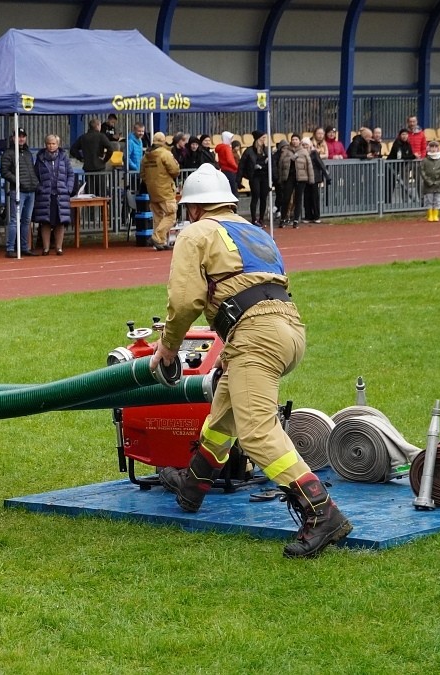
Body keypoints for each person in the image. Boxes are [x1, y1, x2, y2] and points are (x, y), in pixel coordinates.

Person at [155, 163, 352, 559]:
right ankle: (193, 485)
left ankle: (321, 511)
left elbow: (184, 300)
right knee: (224, 413)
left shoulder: (196, 232)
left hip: (254, 335)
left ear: (193, 208)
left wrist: (168, 347)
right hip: (289, 328)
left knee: (257, 430)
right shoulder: (255, 231)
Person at [32, 134, 77, 256]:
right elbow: (34, 176)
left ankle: (59, 247)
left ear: (58, 144)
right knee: (45, 222)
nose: (51, 146)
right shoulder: (40, 158)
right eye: (49, 143)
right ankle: (46, 248)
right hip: (45, 195)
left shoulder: (64, 157)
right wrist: (40, 188)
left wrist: (68, 188)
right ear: (45, 144)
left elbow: (70, 174)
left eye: (53, 144)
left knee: (60, 221)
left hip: (61, 194)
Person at [0, 128, 40, 257]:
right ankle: (10, 248)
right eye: (18, 136)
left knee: (26, 220)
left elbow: (31, 169)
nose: (21, 138)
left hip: (30, 189)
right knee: (14, 220)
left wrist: (35, 182)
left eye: (23, 136)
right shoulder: (9, 153)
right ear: (13, 138)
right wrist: (17, 181)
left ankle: (24, 246)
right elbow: (4, 171)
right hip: (17, 190)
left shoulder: (28, 153)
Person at [139, 131, 179, 250]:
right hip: (165, 189)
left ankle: (160, 242)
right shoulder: (165, 154)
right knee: (171, 215)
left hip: (152, 190)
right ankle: (157, 237)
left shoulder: (145, 156)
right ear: (163, 141)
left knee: (158, 217)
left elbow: (142, 174)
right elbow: (174, 170)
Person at [73, 118, 113, 197]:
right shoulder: (101, 136)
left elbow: (73, 149)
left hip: (88, 169)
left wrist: (81, 158)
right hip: (100, 168)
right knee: (102, 195)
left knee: (90, 195)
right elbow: (110, 149)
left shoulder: (83, 137)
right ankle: (102, 209)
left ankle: (90, 209)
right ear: (98, 126)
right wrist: (105, 160)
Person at [239, 131, 270, 226]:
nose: (264, 140)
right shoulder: (249, 151)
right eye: (262, 138)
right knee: (255, 196)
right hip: (254, 176)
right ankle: (254, 219)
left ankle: (261, 218)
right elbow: (242, 165)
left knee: (263, 197)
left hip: (265, 176)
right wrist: (239, 179)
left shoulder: (266, 150)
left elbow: (273, 163)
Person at [421, 140, 440, 222]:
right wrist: (428, 181)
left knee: (437, 200)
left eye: (435, 147)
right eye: (432, 147)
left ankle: (436, 214)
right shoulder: (425, 160)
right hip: (428, 185)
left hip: (438, 185)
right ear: (429, 148)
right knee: (429, 200)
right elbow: (422, 171)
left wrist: (439, 181)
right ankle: (430, 214)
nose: (433, 149)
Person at [303, 138, 327, 223]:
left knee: (314, 197)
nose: (305, 146)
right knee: (306, 198)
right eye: (303, 144)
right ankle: (307, 216)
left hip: (315, 178)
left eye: (306, 144)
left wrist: (326, 175)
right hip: (305, 178)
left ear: (310, 145)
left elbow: (320, 164)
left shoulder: (314, 153)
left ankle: (316, 216)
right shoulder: (301, 154)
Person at [215, 131, 239, 196]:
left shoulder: (220, 148)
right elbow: (230, 160)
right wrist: (236, 167)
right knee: (233, 191)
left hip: (224, 170)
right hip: (230, 171)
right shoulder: (227, 148)